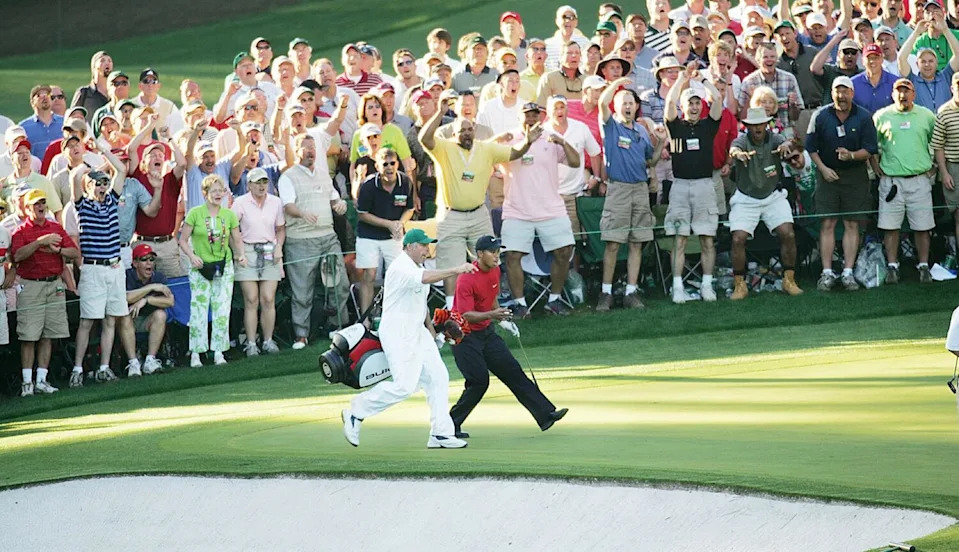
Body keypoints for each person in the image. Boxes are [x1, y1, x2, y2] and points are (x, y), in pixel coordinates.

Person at [341, 228, 476, 449]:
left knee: (438, 377)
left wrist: (431, 332)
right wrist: (457, 269)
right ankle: (356, 412)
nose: (427, 249)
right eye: (423, 245)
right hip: (397, 332)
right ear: (410, 247)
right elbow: (425, 279)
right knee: (405, 386)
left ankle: (440, 434)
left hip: (417, 331)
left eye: (427, 245)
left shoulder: (417, 266)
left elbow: (421, 303)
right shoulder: (402, 266)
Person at [418, 91, 541, 308]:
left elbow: (513, 153)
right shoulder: (444, 148)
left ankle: (491, 309)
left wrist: (528, 143)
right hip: (451, 215)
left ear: (474, 130)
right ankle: (452, 311)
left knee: (491, 261)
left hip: (478, 214)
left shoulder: (486, 148)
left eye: (469, 129)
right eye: (461, 130)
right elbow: (424, 139)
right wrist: (440, 111)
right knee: (452, 267)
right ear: (453, 133)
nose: (466, 133)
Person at [448, 235, 569, 438]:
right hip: (463, 335)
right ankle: (449, 424)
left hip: (486, 332)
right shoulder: (466, 278)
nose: (497, 256)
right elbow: (466, 315)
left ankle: (546, 414)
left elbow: (491, 296)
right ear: (479, 254)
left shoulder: (495, 271)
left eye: (498, 252)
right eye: (492, 252)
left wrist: (501, 319)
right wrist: (493, 315)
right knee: (478, 381)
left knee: (513, 371)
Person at [70, 151, 144, 385]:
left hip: (114, 268)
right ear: (89, 186)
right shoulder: (83, 206)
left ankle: (104, 368)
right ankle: (78, 370)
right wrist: (87, 163)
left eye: (104, 182)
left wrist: (103, 152)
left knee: (112, 319)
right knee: (87, 321)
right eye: (97, 183)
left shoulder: (112, 200)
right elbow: (75, 178)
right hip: (93, 269)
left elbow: (121, 170)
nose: (102, 187)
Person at [500, 102, 580, 317]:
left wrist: (562, 141)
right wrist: (521, 139)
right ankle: (519, 304)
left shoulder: (551, 138)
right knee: (512, 256)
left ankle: (554, 300)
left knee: (564, 252)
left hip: (551, 209)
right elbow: (500, 154)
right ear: (519, 117)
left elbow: (575, 162)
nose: (532, 119)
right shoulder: (510, 138)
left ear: (542, 117)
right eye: (527, 115)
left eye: (536, 115)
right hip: (517, 210)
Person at [596, 78, 667, 311]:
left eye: (631, 102)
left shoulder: (642, 132)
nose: (627, 106)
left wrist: (660, 143)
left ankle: (631, 291)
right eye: (623, 102)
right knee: (614, 243)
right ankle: (605, 293)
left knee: (637, 242)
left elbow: (650, 161)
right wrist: (616, 84)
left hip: (640, 189)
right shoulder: (610, 126)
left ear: (637, 106)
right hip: (618, 189)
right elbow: (601, 103)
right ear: (616, 106)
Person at [806, 76, 879, 291]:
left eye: (845, 91)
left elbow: (870, 149)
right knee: (827, 223)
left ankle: (848, 272)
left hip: (855, 175)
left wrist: (853, 156)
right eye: (838, 91)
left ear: (852, 93)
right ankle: (827, 273)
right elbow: (811, 147)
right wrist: (823, 169)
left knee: (851, 223)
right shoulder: (820, 115)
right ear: (832, 93)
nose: (841, 96)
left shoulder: (864, 117)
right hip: (827, 175)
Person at [280, 133, 350, 349]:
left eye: (313, 148)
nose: (310, 151)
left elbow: (334, 198)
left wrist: (340, 205)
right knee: (302, 290)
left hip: (327, 236)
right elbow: (288, 206)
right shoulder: (288, 177)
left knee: (339, 284)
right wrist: (301, 214)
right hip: (300, 240)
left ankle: (336, 326)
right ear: (297, 150)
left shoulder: (322, 174)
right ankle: (301, 335)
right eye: (305, 147)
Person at [726, 108, 804, 300]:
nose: (758, 128)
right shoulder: (742, 140)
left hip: (772, 196)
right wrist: (739, 155)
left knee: (788, 233)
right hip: (746, 198)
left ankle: (789, 280)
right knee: (738, 238)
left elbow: (786, 142)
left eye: (761, 124)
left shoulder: (775, 138)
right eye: (754, 125)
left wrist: (787, 145)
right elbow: (733, 149)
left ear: (767, 124)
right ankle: (740, 284)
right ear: (748, 126)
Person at [664, 65, 724, 305]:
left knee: (707, 237)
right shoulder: (675, 125)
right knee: (679, 238)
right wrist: (681, 79)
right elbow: (669, 102)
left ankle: (707, 285)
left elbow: (718, 99)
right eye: (690, 103)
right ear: (684, 106)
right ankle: (677, 287)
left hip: (704, 185)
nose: (694, 106)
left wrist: (703, 80)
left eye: (698, 103)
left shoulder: (708, 126)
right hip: (679, 186)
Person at [10, 189, 78, 397]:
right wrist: (40, 242)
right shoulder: (20, 232)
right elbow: (18, 256)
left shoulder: (56, 228)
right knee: (29, 336)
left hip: (53, 284)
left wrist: (57, 250)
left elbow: (74, 252)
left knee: (49, 335)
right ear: (28, 208)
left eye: (43, 203)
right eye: (36, 204)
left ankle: (41, 379)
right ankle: (27, 383)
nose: (41, 207)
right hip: (31, 286)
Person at [873, 78, 938, 284]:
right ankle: (893, 267)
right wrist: (876, 169)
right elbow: (872, 146)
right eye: (899, 91)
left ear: (914, 94)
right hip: (892, 181)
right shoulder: (882, 116)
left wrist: (935, 167)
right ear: (893, 94)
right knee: (890, 227)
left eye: (907, 91)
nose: (903, 95)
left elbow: (937, 142)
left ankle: (924, 266)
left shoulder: (927, 116)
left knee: (922, 227)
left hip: (919, 179)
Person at [179, 174, 246, 367]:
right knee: (198, 310)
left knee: (222, 309)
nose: (218, 194)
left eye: (221, 190)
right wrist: (192, 256)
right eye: (214, 191)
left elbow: (236, 238)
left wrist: (240, 254)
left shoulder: (229, 214)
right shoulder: (195, 213)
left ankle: (218, 352)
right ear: (205, 193)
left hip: (223, 266)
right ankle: (196, 354)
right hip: (200, 267)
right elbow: (183, 240)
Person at [232, 167, 285, 357]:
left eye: (264, 182)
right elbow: (233, 228)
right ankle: (252, 343)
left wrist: (279, 246)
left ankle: (268, 340)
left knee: (268, 298)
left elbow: (280, 228)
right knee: (251, 299)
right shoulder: (240, 203)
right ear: (249, 185)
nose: (262, 186)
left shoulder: (275, 202)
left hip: (270, 249)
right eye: (258, 183)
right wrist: (239, 252)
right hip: (247, 249)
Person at [355, 148, 414, 313]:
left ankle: (394, 314)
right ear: (377, 166)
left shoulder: (406, 182)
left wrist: (399, 224)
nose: (389, 167)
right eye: (385, 164)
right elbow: (362, 215)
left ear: (397, 164)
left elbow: (409, 209)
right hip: (368, 236)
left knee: (397, 275)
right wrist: (389, 224)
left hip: (393, 236)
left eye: (392, 163)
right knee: (369, 276)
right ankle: (365, 320)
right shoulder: (368, 185)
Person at [899, 18, 959, 113]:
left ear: (937, 63)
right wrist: (916, 32)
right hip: (921, 125)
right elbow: (901, 58)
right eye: (923, 61)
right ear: (917, 64)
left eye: (931, 61)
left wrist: (945, 29)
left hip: (944, 125)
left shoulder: (946, 76)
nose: (927, 64)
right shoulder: (912, 81)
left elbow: (958, 54)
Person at [19, 85, 64, 158]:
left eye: (48, 94)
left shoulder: (64, 122)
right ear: (32, 102)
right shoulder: (23, 127)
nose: (45, 97)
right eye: (39, 95)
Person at [71, 51, 113, 122]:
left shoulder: (114, 93)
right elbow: (72, 118)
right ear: (94, 66)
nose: (107, 63)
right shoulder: (84, 92)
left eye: (110, 61)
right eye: (102, 60)